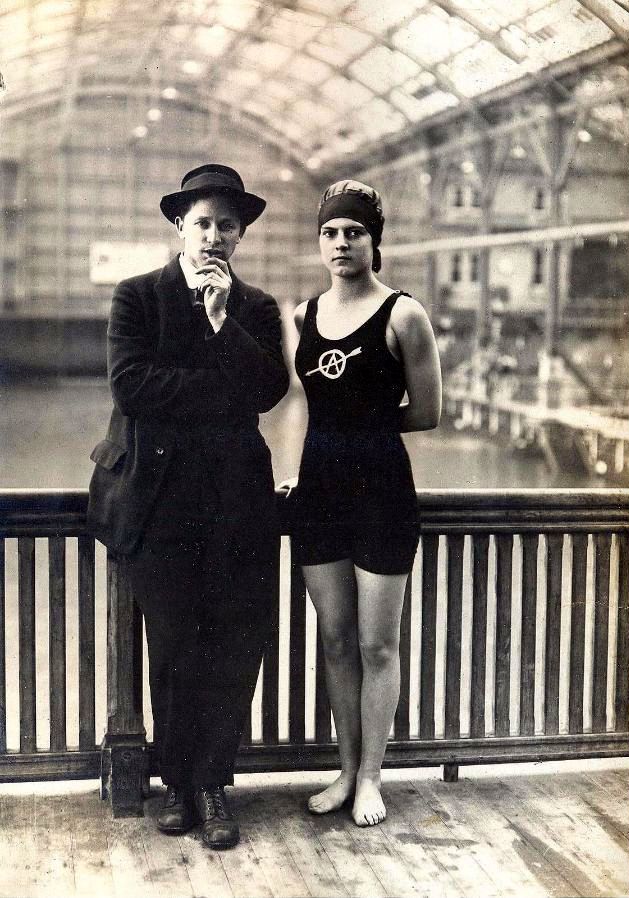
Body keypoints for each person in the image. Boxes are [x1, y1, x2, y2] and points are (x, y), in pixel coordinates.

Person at [87, 164, 289, 849]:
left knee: (234, 644)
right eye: (202, 222)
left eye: (227, 226)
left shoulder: (255, 308)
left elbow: (267, 392)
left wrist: (222, 322)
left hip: (237, 505)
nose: (213, 236)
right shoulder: (137, 296)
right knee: (173, 646)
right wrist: (219, 392)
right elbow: (131, 387)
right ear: (180, 225)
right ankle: (175, 782)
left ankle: (212, 785)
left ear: (240, 235)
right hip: (157, 504)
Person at [281, 180, 441, 827]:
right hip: (318, 493)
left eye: (354, 232)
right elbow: (305, 406)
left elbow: (427, 412)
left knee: (378, 646)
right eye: (330, 233)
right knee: (336, 639)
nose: (341, 243)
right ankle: (346, 771)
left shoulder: (404, 315)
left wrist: (362, 429)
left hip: (381, 493)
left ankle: (372, 776)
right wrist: (302, 466)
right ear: (319, 243)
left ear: (375, 243)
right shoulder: (303, 316)